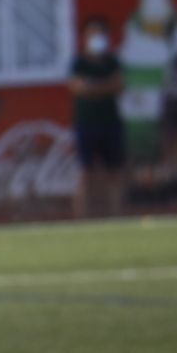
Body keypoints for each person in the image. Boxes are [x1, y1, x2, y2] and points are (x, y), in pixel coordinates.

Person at [69, 16, 125, 219]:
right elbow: (78, 87)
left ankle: (116, 216)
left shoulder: (112, 61)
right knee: (85, 173)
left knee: (115, 172)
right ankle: (82, 218)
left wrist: (93, 86)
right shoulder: (79, 62)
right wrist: (103, 86)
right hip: (86, 123)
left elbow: (118, 85)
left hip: (110, 122)